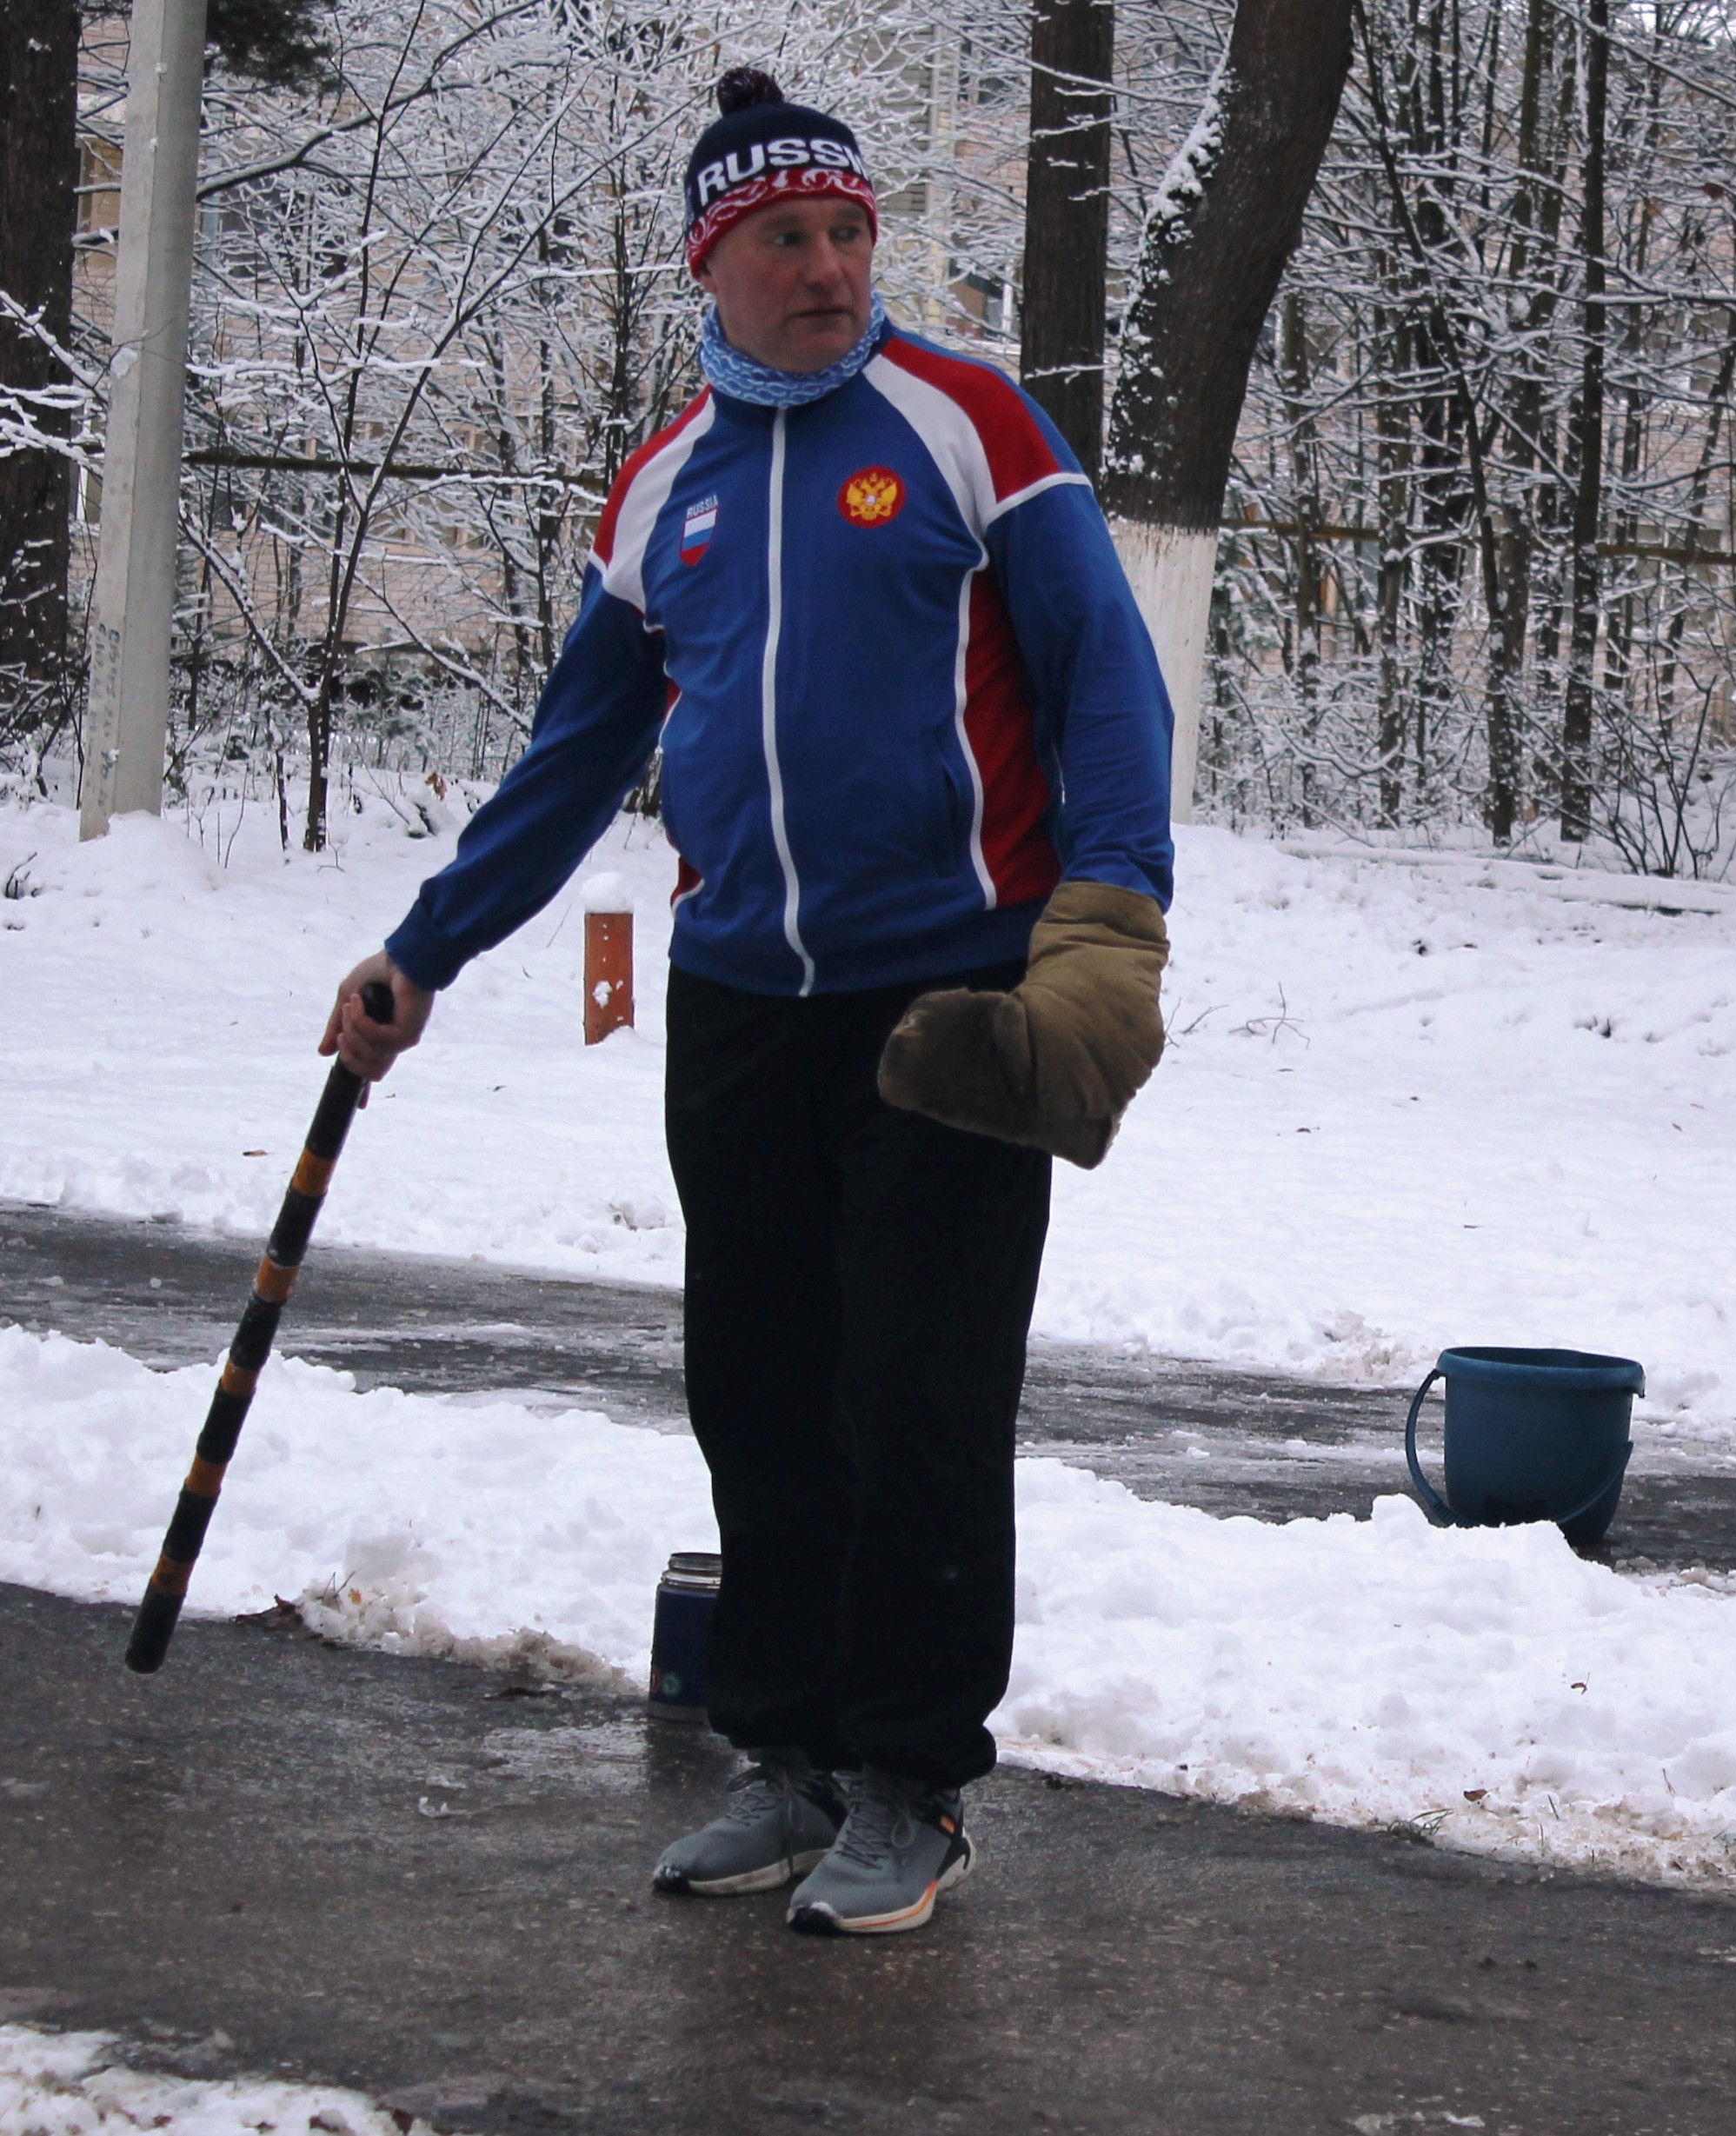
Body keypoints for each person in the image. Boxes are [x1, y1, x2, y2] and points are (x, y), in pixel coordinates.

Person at [320, 68, 1174, 1937]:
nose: (829, 263)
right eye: (788, 236)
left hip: (948, 991)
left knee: (920, 1394)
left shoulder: (970, 425)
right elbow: (570, 759)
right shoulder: (662, 489)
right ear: (713, 260)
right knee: (764, 1391)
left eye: (851, 230)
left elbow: (1106, 678)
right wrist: (425, 947)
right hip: (738, 999)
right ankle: (782, 1764)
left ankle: (911, 1786)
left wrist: (1111, 917)